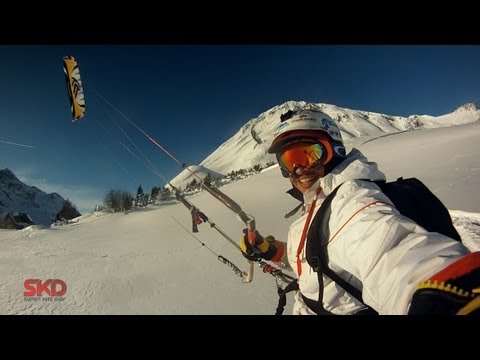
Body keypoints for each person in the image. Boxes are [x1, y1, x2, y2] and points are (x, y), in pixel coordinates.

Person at [240, 108, 480, 315]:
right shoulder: (317, 201)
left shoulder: (352, 203)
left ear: (334, 150)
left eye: (310, 154)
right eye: (288, 162)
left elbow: (390, 252)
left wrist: (444, 295)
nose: (299, 169)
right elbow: (318, 257)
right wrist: (270, 250)